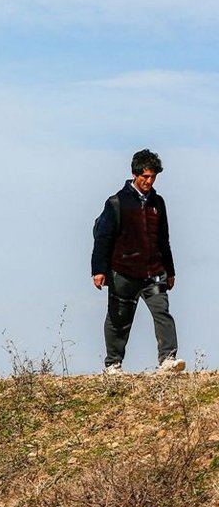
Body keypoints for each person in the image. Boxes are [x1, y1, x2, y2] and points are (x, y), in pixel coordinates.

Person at [91, 149, 184, 374]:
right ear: (134, 174)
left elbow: (163, 239)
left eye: (153, 177)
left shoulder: (158, 203)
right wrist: (99, 270)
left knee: (162, 313)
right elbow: (103, 238)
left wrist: (170, 271)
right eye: (145, 176)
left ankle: (168, 360)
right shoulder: (116, 203)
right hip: (123, 272)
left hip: (153, 272)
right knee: (119, 320)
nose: (149, 181)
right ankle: (113, 364)